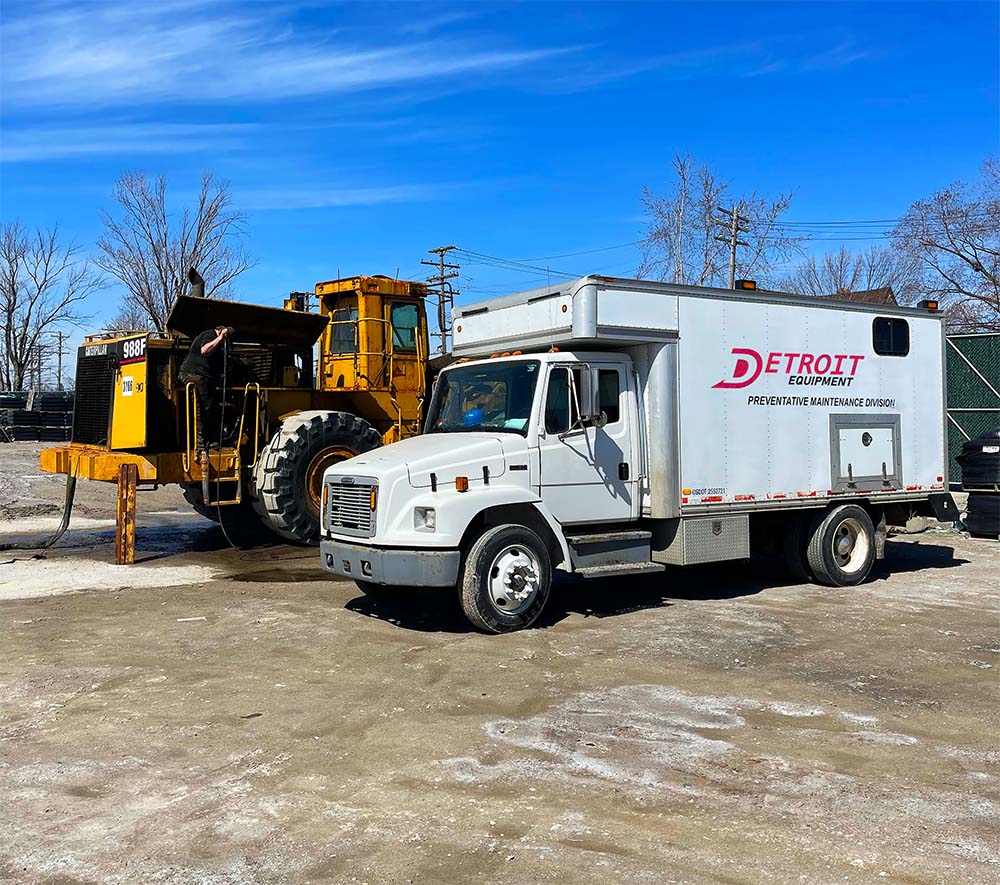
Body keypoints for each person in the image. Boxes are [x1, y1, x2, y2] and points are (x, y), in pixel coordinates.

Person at [179, 325, 233, 449]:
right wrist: (220, 337)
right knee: (204, 407)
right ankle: (202, 443)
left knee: (209, 405)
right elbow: (205, 350)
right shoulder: (210, 335)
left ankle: (209, 439)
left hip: (200, 375)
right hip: (195, 374)